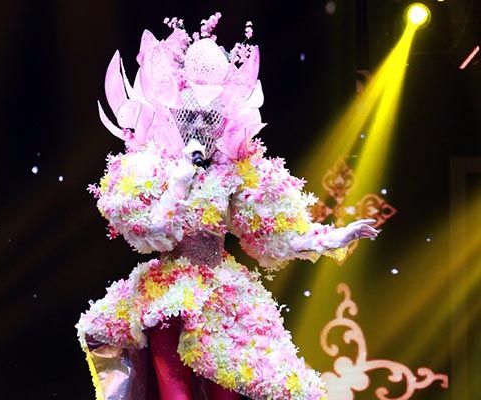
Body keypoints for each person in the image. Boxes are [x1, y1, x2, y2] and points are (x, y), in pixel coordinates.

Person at [76, 13, 378, 400]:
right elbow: (149, 232)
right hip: (168, 297)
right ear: (175, 116)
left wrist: (331, 238)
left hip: (220, 298)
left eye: (210, 117)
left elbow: (270, 232)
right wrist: (180, 181)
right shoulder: (155, 169)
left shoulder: (235, 173)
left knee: (229, 390)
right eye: (191, 116)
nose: (200, 125)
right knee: (175, 394)